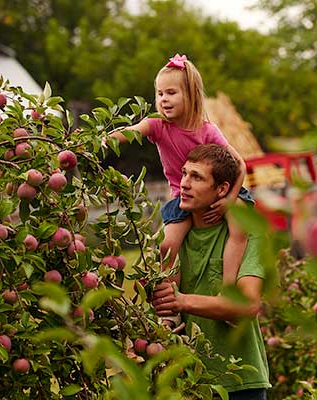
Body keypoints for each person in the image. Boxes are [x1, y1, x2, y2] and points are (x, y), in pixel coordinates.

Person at [106, 54, 252, 297]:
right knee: (167, 244)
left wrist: (229, 199)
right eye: (160, 93)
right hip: (182, 198)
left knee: (239, 227)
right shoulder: (156, 125)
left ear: (191, 94)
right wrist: (98, 142)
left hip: (216, 192)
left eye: (171, 93)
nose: (164, 99)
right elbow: (128, 132)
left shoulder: (206, 130)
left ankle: (229, 289)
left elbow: (240, 164)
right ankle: (172, 299)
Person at [152, 144, 270, 399]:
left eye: (196, 177)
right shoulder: (167, 241)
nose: (184, 183)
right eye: (184, 174)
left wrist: (182, 301)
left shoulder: (250, 235)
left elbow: (247, 306)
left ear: (222, 189)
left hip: (240, 382)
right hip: (185, 382)